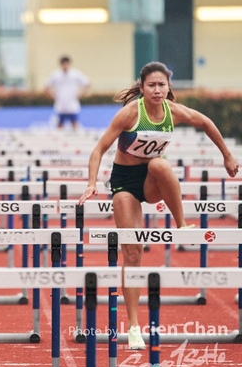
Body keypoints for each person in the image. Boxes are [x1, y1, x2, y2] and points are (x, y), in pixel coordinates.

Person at [78, 61, 239, 350]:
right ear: (142, 87)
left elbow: (206, 123)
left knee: (160, 164)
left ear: (168, 87)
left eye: (161, 85)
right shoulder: (130, 113)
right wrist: (91, 182)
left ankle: (181, 224)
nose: (156, 90)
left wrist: (227, 156)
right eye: (151, 85)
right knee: (132, 252)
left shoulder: (173, 112)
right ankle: (134, 327)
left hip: (152, 181)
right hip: (125, 182)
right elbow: (99, 149)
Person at [45, 55, 90, 130]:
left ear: (69, 64)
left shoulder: (75, 74)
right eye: (63, 64)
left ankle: (76, 141)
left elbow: (88, 83)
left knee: (74, 124)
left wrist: (82, 93)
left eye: (67, 64)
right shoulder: (56, 75)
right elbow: (46, 86)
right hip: (61, 105)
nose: (65, 66)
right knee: (59, 124)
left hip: (72, 105)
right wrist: (52, 95)